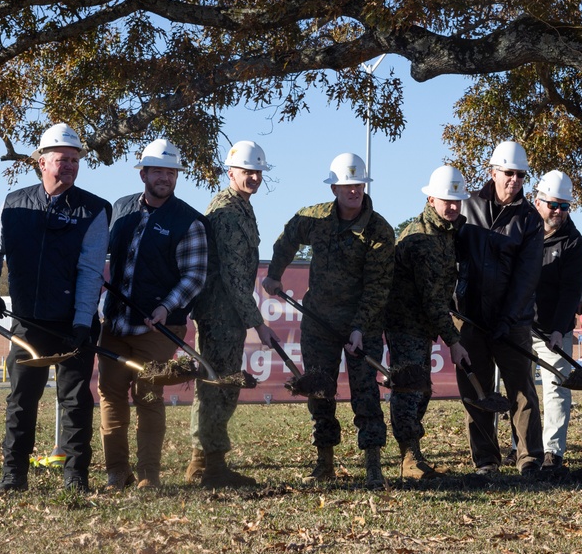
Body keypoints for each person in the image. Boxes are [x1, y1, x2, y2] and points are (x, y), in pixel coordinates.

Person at [0, 123, 110, 493]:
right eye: (61, 160)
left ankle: (75, 476)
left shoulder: (95, 210)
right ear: (41, 162)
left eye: (74, 160)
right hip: (26, 322)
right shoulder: (14, 203)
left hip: (73, 323)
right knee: (21, 400)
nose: (69, 166)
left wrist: (83, 323)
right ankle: (13, 475)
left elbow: (89, 272)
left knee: (75, 400)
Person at [261, 153, 394, 488]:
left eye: (358, 185)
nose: (353, 191)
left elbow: (377, 287)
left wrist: (360, 328)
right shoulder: (314, 217)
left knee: (366, 393)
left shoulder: (379, 230)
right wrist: (274, 274)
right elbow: (287, 237)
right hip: (318, 321)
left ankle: (373, 465)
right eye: (347, 185)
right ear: (334, 187)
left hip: (362, 325)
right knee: (320, 391)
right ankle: (325, 463)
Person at [98, 139, 209, 491]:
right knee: (110, 394)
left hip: (158, 329)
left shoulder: (189, 221)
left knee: (148, 396)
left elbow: (194, 276)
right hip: (114, 324)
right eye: (158, 171)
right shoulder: (120, 209)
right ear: (143, 173)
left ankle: (148, 476)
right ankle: (117, 473)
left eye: (171, 172)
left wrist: (165, 307)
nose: (165, 177)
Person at [186, 140, 277, 488]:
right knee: (218, 386)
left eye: (257, 172)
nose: (253, 177)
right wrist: (258, 323)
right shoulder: (227, 211)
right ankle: (211, 466)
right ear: (231, 173)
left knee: (218, 384)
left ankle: (201, 463)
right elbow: (234, 276)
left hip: (227, 313)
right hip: (221, 313)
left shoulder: (241, 206)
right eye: (247, 171)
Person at [454, 140, 544, 475]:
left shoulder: (529, 219)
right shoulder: (466, 206)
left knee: (521, 391)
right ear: (493, 172)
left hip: (514, 321)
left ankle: (530, 456)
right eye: (509, 172)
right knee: (476, 392)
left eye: (521, 174)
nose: (515, 179)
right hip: (469, 319)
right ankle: (486, 460)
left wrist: (507, 319)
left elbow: (527, 276)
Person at [384, 165, 471, 480]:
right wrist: (454, 341)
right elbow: (432, 300)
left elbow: (440, 294)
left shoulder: (444, 232)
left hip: (420, 324)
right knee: (410, 386)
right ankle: (409, 460)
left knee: (421, 387)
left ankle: (414, 456)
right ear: (431, 198)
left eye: (456, 201)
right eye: (446, 200)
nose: (452, 206)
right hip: (405, 323)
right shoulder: (424, 238)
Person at [526, 170, 582, 473]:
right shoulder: (522, 228)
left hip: (553, 329)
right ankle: (521, 448)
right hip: (518, 324)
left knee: (555, 388)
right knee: (519, 388)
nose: (558, 212)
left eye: (564, 206)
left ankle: (552, 452)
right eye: (553, 205)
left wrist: (559, 330)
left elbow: (570, 291)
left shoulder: (574, 243)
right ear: (538, 201)